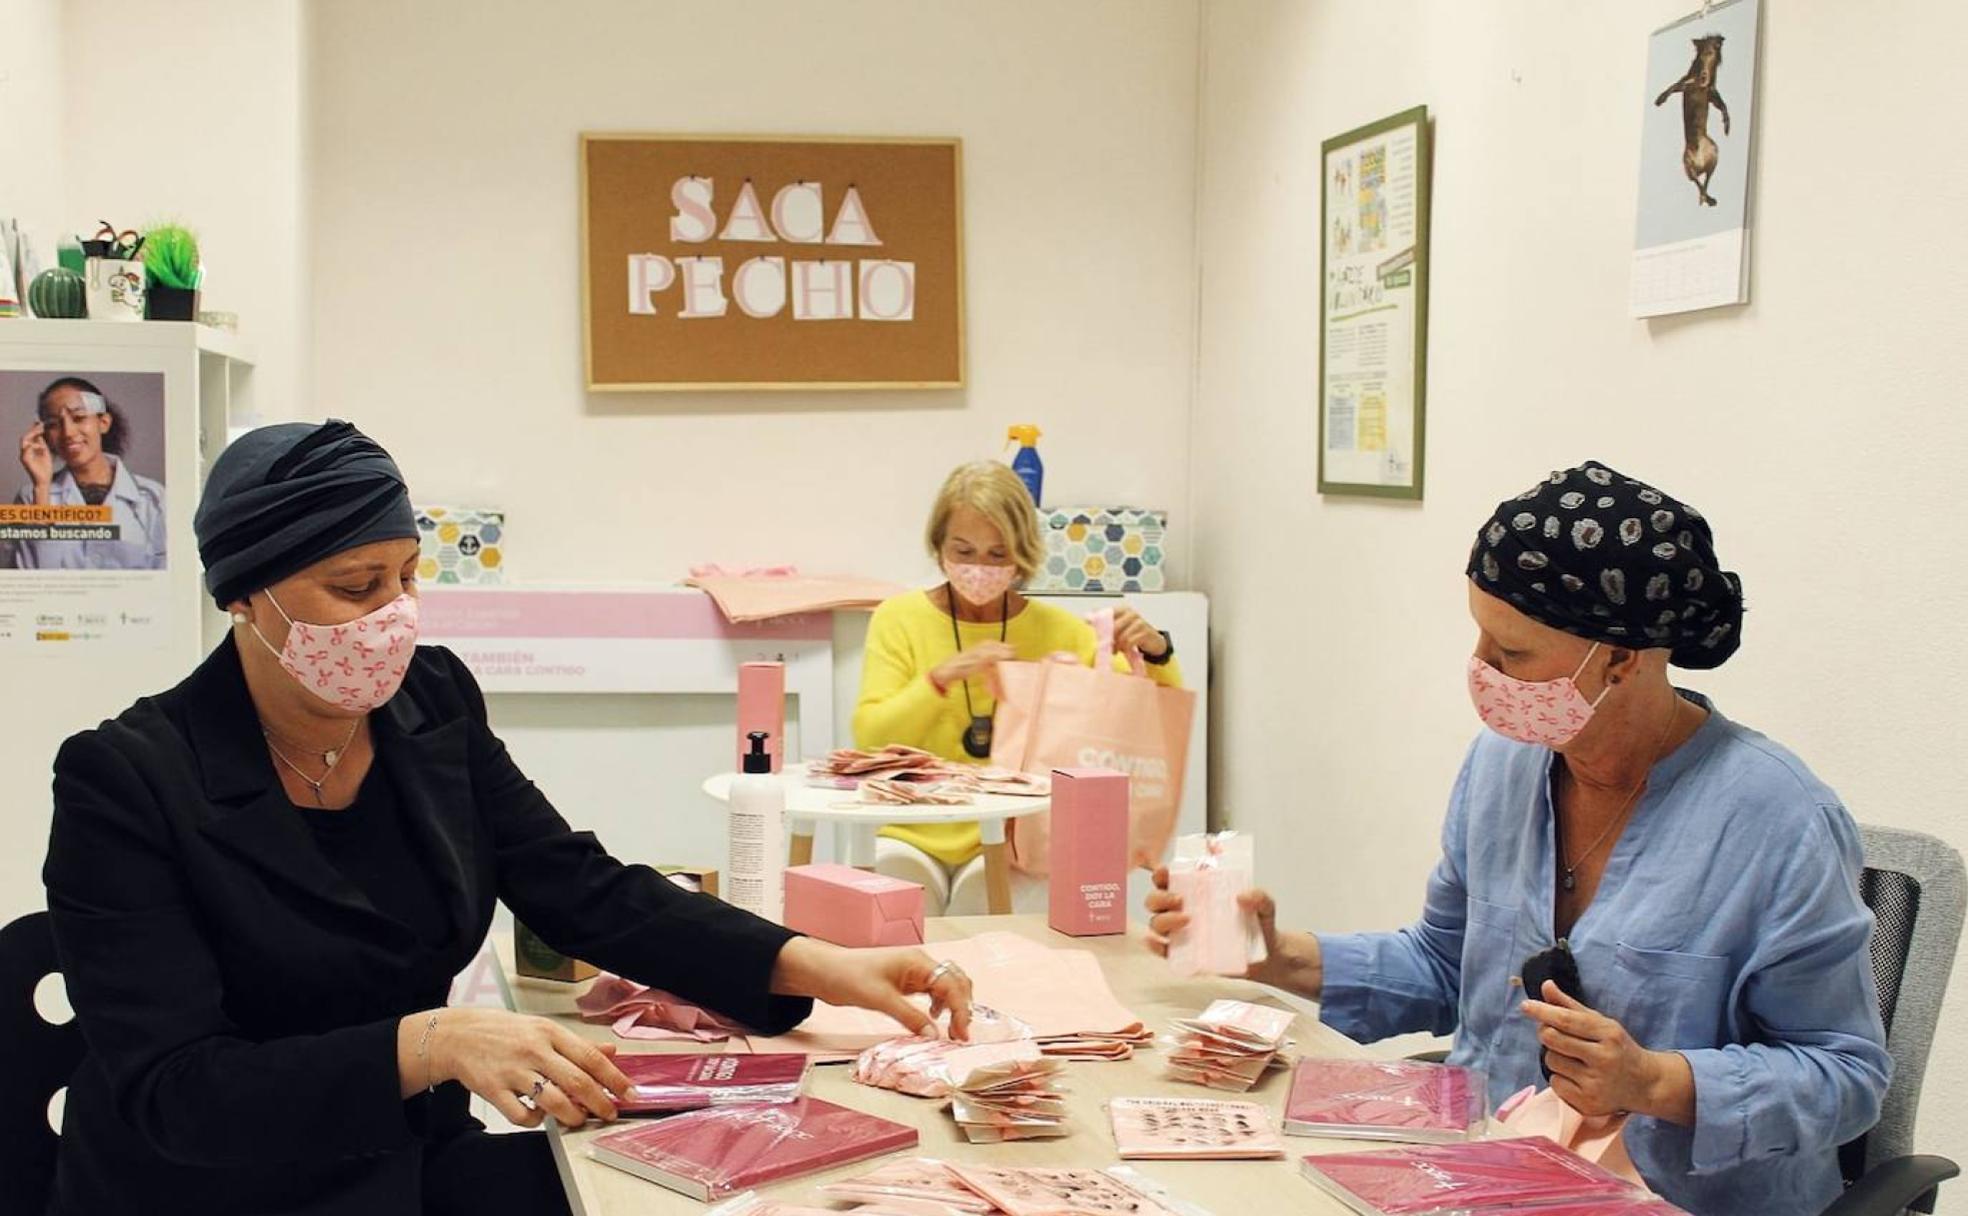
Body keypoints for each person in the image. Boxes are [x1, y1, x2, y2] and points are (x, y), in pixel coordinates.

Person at [41, 420, 975, 1216]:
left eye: (408, 577)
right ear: (247, 596)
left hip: (409, 1166)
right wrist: (434, 1041)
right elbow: (181, 1092)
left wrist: (812, 961)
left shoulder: (430, 700)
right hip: (216, 1188)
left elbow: (576, 885)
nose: (395, 616)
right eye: (357, 588)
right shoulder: (126, 781)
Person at [1145, 461, 1890, 1216]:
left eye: (1513, 653)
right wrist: (1279, 955)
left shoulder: (1776, 818)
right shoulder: (1506, 763)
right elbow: (1444, 967)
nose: (1479, 668)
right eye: (1477, 636)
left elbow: (1847, 1075)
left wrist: (1656, 1083)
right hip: (1485, 1175)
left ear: (1623, 658)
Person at [855, 461, 1183, 915]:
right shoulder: (898, 618)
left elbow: (1139, 717)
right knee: (890, 904)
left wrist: (1158, 650)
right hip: (912, 828)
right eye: (963, 551)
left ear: (1024, 554)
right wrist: (940, 678)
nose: (979, 569)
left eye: (997, 554)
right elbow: (869, 736)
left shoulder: (1062, 631)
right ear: (938, 546)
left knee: (986, 911)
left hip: (1015, 839)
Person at [12, 376, 167, 569]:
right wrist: (42, 487)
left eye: (79, 418)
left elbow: (167, 580)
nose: (68, 432)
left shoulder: (153, 497)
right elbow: (32, 584)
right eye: (53, 424)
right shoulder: (31, 497)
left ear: (103, 422)